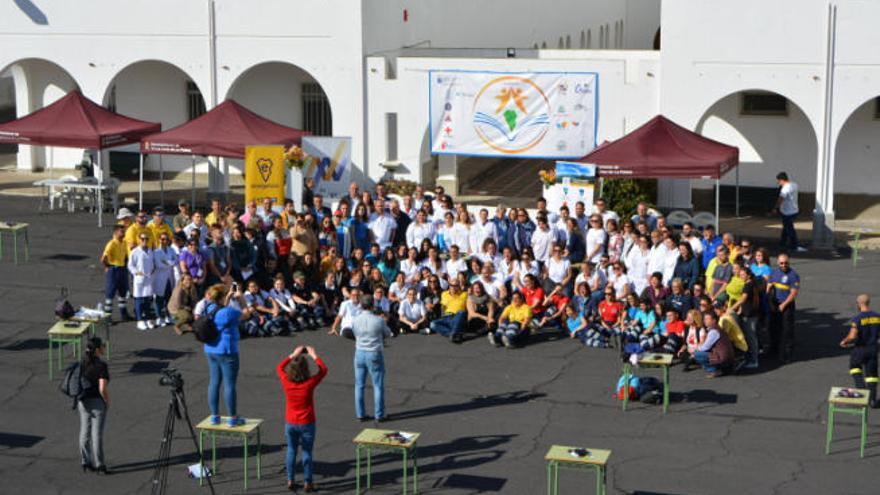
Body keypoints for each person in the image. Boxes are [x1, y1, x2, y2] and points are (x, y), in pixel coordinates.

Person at [277, 345, 327, 492]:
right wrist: (314, 355)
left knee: (291, 450)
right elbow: (323, 370)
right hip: (307, 422)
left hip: (291, 422)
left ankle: (290, 479)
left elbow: (279, 367)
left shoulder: (286, 381)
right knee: (307, 452)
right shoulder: (309, 384)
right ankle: (307, 481)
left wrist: (292, 355)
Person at [203, 284, 249, 427]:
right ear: (223, 296)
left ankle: (215, 417)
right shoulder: (229, 312)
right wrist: (241, 299)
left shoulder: (209, 308)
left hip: (211, 349)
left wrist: (228, 297)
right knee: (229, 385)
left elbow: (220, 308)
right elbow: (246, 314)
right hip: (227, 351)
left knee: (214, 382)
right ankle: (232, 418)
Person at [351, 295, 392, 421]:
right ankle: (379, 415)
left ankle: (360, 414)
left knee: (359, 385)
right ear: (372, 306)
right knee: (378, 385)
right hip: (374, 352)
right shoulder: (378, 320)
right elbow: (388, 333)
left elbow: (354, 333)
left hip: (359, 352)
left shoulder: (355, 319)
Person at [840, 294, 880, 408]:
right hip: (873, 349)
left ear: (859, 304)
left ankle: (862, 394)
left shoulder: (857, 319)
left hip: (860, 349)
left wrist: (845, 341)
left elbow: (852, 336)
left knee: (855, 369)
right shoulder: (878, 317)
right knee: (872, 375)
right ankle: (872, 400)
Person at [77, 337, 110, 474]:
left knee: (84, 431)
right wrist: (107, 401)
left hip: (83, 401)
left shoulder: (82, 363)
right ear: (97, 350)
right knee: (96, 434)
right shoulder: (101, 366)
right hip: (97, 402)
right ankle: (100, 465)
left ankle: (85, 461)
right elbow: (102, 388)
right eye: (102, 346)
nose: (104, 347)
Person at [767, 253, 800, 363]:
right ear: (777, 263)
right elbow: (770, 285)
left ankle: (787, 353)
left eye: (786, 263)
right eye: (781, 263)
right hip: (775, 305)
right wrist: (768, 299)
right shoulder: (774, 272)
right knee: (773, 328)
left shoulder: (793, 275)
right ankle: (774, 349)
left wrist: (784, 305)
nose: (783, 265)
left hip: (786, 306)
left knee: (787, 331)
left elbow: (793, 293)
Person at [101, 225, 132, 322]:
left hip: (122, 269)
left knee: (122, 293)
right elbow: (103, 258)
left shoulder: (123, 243)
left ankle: (124, 314)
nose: (124, 234)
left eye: (124, 232)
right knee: (110, 294)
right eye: (121, 232)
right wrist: (107, 266)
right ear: (115, 233)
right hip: (114, 269)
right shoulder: (111, 244)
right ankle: (107, 317)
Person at [693, 311, 734, 378]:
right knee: (700, 352)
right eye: (704, 319)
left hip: (724, 358)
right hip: (726, 356)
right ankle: (720, 369)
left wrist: (696, 350)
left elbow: (705, 347)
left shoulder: (714, 331)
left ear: (714, 320)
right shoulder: (716, 329)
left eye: (707, 319)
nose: (705, 321)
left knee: (698, 354)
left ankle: (714, 370)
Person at [772, 172, 806, 252]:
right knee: (786, 227)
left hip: (787, 211)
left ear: (781, 180)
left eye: (778, 181)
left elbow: (781, 199)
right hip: (794, 210)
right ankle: (782, 243)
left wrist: (775, 208)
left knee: (789, 229)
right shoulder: (794, 185)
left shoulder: (785, 188)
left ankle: (794, 245)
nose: (778, 183)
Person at [128, 232, 156, 330]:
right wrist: (136, 272)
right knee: (139, 299)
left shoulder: (150, 251)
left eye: (146, 239)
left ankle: (148, 319)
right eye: (142, 239)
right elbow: (130, 265)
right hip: (139, 279)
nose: (144, 241)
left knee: (148, 299)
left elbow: (152, 263)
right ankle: (139, 320)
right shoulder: (134, 252)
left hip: (149, 278)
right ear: (139, 240)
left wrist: (153, 269)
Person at [151, 233, 177, 327]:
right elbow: (159, 265)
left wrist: (166, 262)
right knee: (159, 298)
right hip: (160, 277)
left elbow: (175, 260)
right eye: (162, 239)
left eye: (165, 239)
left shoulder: (171, 250)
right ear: (159, 240)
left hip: (169, 277)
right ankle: (159, 317)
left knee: (168, 298)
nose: (164, 241)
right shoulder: (156, 252)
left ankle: (168, 316)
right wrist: (168, 263)